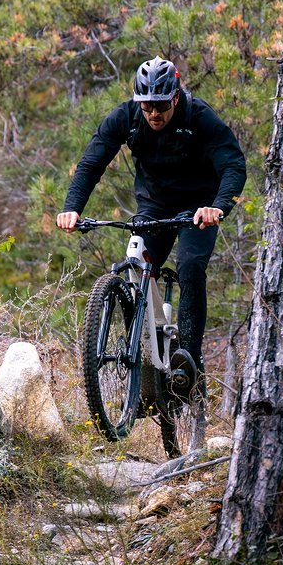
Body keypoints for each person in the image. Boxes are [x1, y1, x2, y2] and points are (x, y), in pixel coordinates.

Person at [57, 56, 246, 395]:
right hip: (154, 204)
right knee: (137, 264)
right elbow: (91, 163)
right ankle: (143, 366)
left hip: (196, 207)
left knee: (190, 265)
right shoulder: (127, 117)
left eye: (160, 105)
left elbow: (233, 164)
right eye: (147, 106)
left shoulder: (200, 117)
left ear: (175, 97)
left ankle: (189, 359)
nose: (154, 114)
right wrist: (72, 209)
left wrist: (217, 207)